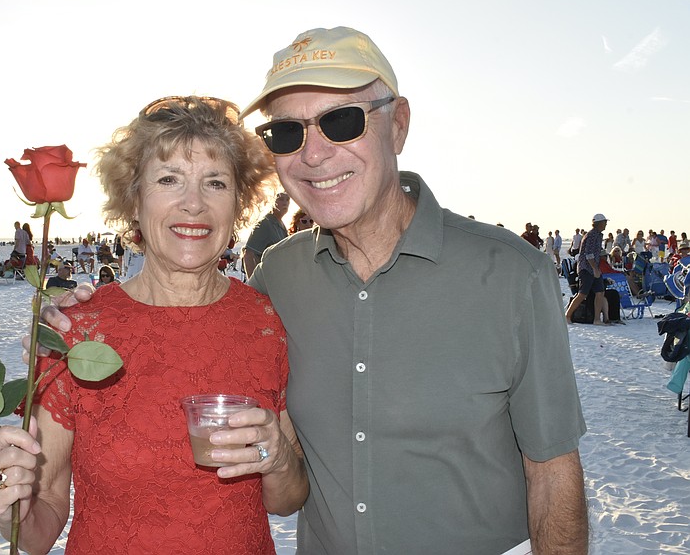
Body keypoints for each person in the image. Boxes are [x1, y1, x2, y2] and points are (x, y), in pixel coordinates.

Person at [41, 29, 587, 554]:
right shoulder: (276, 283)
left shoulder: (512, 274)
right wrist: (64, 327)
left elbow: (555, 471)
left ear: (397, 125)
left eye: (342, 122)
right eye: (288, 133)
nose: (314, 154)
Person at [0, 96, 307, 554]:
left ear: (238, 205)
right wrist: (10, 507)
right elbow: (42, 523)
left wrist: (277, 456)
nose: (193, 203)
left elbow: (288, 501)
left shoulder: (264, 321)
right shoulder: (75, 329)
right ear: (134, 199)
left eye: (215, 183)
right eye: (169, 179)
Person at [566, 213, 610, 325]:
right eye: (604, 222)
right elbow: (588, 253)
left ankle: (596, 319)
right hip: (586, 268)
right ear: (598, 223)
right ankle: (567, 315)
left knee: (600, 292)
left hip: (595, 268)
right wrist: (595, 268)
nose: (605, 224)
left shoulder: (599, 235)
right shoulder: (591, 235)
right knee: (583, 294)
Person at [241, 191, 289, 277]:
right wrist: (253, 285)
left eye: (287, 200)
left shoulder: (281, 225)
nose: (285, 203)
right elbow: (248, 254)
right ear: (272, 201)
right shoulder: (265, 224)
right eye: (281, 199)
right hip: (267, 281)